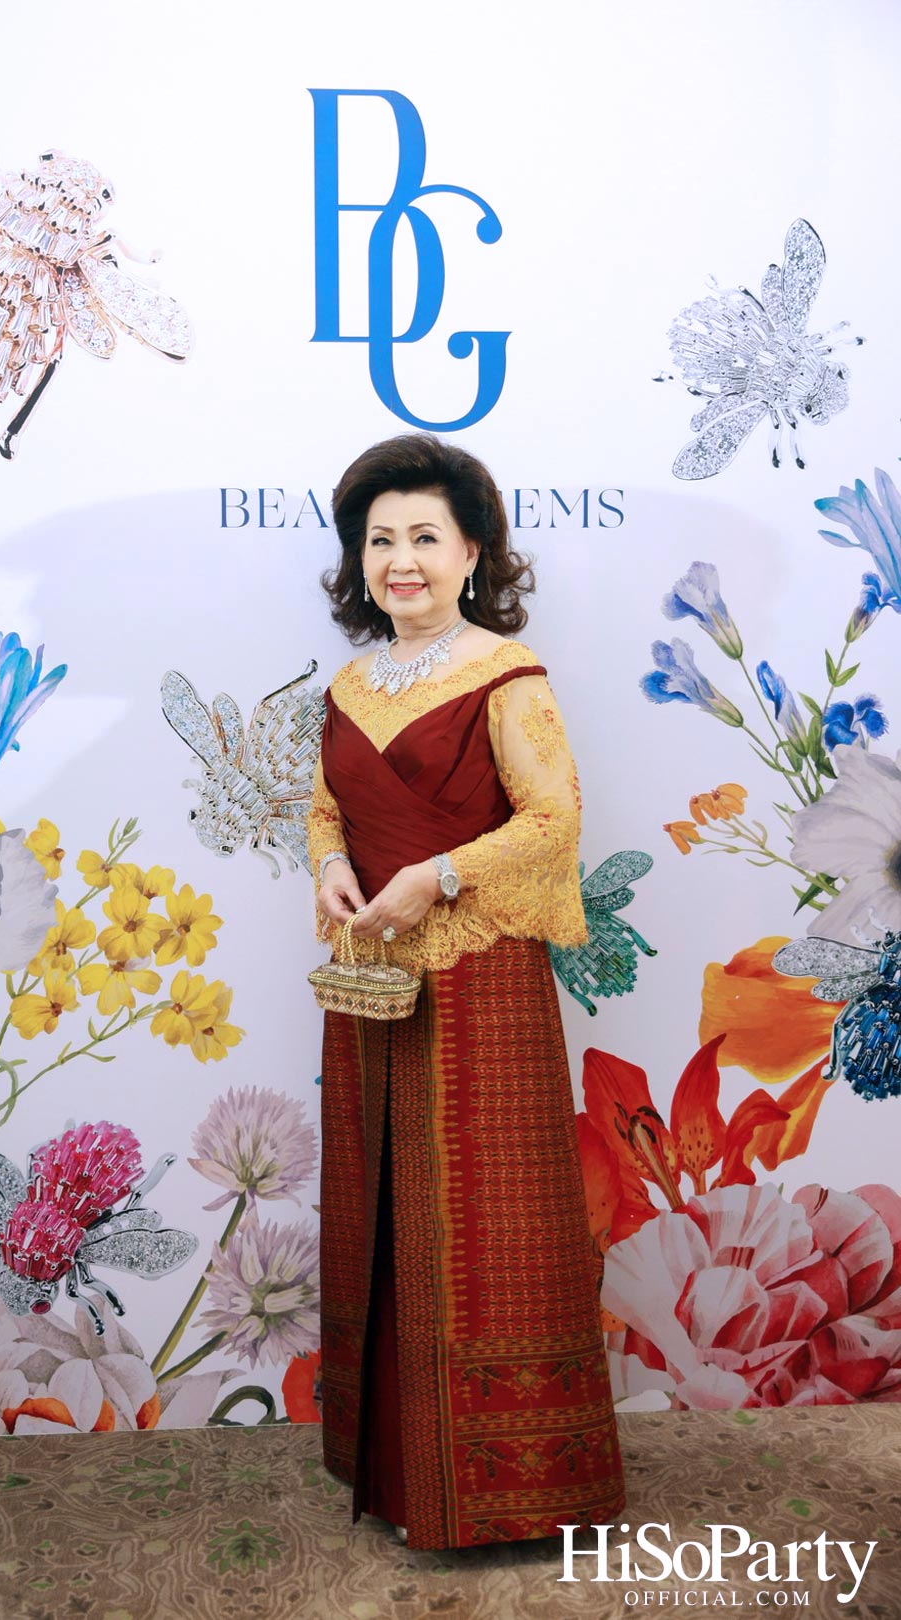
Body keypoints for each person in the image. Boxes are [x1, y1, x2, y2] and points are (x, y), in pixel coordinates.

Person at [306, 433, 627, 1553]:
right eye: (380, 539)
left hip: (480, 983)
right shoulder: (349, 684)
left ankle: (509, 1493)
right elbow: (323, 811)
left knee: (483, 1231)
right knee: (382, 1208)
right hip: (371, 979)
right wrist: (335, 871)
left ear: (473, 551)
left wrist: (434, 878)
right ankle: (398, 1474)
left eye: (424, 538)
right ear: (360, 558)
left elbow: (554, 820)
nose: (402, 560)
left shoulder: (507, 674)